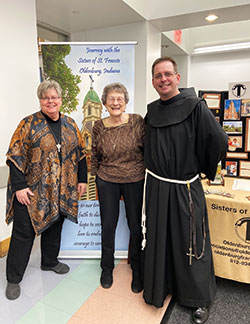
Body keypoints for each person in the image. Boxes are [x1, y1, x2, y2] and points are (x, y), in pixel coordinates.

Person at [142, 57, 228, 324]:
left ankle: (198, 299)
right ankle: (162, 286)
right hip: (157, 186)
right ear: (153, 81)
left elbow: (217, 140)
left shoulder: (196, 107)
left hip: (184, 188)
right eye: (158, 76)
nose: (163, 79)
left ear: (178, 77)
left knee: (191, 240)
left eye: (168, 74)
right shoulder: (152, 110)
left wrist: (199, 169)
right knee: (161, 238)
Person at [5, 80, 87, 300]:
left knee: (55, 227)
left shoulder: (70, 124)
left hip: (62, 189)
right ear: (40, 100)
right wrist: (20, 187)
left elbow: (80, 154)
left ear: (61, 99)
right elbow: (14, 156)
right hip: (31, 191)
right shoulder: (28, 124)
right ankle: (13, 279)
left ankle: (49, 261)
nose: (51, 101)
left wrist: (81, 179)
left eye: (55, 97)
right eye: (46, 97)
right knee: (23, 234)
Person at [91, 82, 145, 293]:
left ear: (126, 101)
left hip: (135, 179)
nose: (115, 103)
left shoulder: (137, 121)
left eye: (119, 99)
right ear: (104, 103)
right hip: (107, 180)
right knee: (108, 225)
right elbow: (94, 155)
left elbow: (148, 149)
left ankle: (138, 270)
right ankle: (107, 267)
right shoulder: (98, 126)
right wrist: (97, 179)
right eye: (111, 99)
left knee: (136, 226)